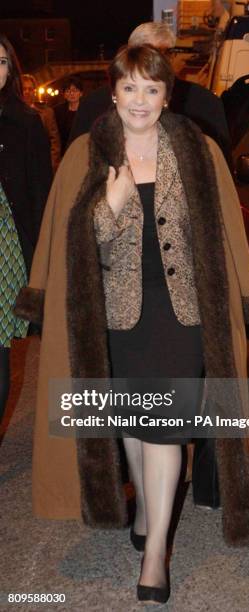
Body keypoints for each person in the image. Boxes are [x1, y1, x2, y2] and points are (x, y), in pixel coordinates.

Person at [15, 45, 249, 604]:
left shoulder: (196, 149)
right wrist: (108, 208)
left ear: (167, 95)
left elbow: (224, 231)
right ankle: (146, 516)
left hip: (180, 316)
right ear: (113, 93)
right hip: (114, 315)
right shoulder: (88, 152)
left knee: (165, 428)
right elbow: (73, 247)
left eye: (151, 89)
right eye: (130, 88)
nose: (140, 100)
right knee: (133, 422)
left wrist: (246, 298)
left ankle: (156, 550)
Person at [69, 22, 230, 160]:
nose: (155, 62)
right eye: (147, 54)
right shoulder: (92, 105)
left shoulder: (206, 103)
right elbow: (75, 168)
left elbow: (220, 172)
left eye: (164, 53)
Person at [0, 35, 52, 423]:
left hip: (6, 247)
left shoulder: (26, 121)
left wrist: (42, 264)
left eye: (1, 62)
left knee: (0, 350)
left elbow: (40, 195)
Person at [22, 73, 61, 172]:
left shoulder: (47, 113)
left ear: (34, 91)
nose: (27, 92)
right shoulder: (11, 112)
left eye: (30, 89)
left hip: (40, 165)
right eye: (24, 89)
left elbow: (54, 141)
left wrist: (52, 164)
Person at [54, 76, 83, 154]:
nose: (71, 94)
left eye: (75, 90)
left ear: (81, 93)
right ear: (64, 94)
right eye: (68, 91)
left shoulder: (86, 109)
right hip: (65, 150)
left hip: (82, 149)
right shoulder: (58, 111)